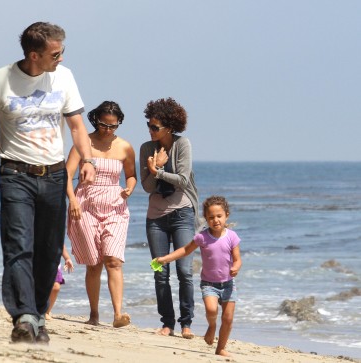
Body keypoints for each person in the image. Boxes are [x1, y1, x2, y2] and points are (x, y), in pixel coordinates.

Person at [0, 22, 95, 345]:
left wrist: (88, 160)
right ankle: (23, 316)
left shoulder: (64, 78)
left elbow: (78, 126)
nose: (61, 59)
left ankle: (38, 315)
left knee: (49, 251)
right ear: (34, 55)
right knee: (18, 246)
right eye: (56, 53)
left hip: (53, 175)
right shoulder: (0, 80)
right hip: (15, 175)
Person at [66, 101, 136, 328]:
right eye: (104, 125)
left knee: (114, 260)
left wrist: (130, 188)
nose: (108, 130)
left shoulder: (125, 147)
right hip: (86, 204)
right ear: (96, 120)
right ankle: (94, 314)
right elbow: (67, 175)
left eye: (113, 126)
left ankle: (117, 315)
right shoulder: (83, 144)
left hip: (115, 205)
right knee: (94, 263)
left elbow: (131, 175)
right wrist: (73, 200)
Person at [139, 97, 202, 339]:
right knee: (159, 270)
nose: (150, 130)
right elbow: (146, 186)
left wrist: (159, 171)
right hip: (155, 217)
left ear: (169, 127)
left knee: (184, 271)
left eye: (155, 127)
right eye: (149, 125)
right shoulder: (146, 148)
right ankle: (167, 323)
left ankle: (186, 323)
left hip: (182, 213)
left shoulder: (182, 144)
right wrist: (155, 171)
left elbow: (183, 181)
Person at [154, 195, 242, 357]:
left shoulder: (232, 237)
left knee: (228, 319)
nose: (215, 220)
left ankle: (220, 348)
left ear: (226, 215)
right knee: (211, 309)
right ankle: (211, 325)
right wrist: (166, 258)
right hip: (209, 284)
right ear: (206, 219)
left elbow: (237, 259)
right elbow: (185, 250)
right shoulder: (203, 237)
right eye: (211, 217)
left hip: (229, 284)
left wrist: (235, 268)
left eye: (219, 216)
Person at [45, 245, 74, 320]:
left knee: (56, 287)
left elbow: (60, 242)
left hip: (53, 261)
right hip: (34, 259)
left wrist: (67, 258)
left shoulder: (55, 233)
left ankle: (46, 311)